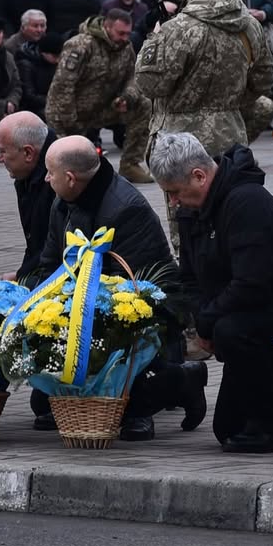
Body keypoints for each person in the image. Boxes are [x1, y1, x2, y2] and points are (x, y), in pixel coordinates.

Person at [149, 133, 273, 453]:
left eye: (174, 193)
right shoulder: (192, 210)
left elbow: (254, 283)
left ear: (199, 176)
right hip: (243, 308)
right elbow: (189, 279)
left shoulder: (247, 202)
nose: (173, 202)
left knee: (229, 331)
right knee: (228, 429)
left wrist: (208, 324)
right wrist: (199, 317)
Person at [36, 135, 207, 441]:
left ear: (71, 178)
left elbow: (131, 290)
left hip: (142, 307)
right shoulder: (63, 203)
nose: (46, 178)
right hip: (84, 300)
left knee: (128, 400)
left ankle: (180, 381)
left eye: (50, 172)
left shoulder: (126, 208)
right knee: (41, 400)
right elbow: (49, 263)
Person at [135, 0, 273, 161]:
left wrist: (153, 40)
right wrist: (226, 104)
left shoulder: (179, 27)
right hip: (231, 136)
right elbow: (264, 80)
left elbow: (150, 85)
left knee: (186, 195)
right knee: (226, 194)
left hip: (182, 145)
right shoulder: (249, 24)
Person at [46, 10, 152, 182]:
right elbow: (62, 86)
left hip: (102, 108)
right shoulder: (81, 45)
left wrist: (126, 97)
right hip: (70, 113)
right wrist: (70, 123)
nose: (126, 38)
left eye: (128, 33)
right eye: (121, 33)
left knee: (144, 105)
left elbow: (133, 77)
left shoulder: (125, 47)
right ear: (107, 27)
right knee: (66, 161)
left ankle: (130, 164)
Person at [0, 112, 58, 283]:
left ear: (28, 153)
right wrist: (22, 274)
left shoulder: (58, 181)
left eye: (2, 151)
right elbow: (36, 243)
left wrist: (25, 281)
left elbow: (60, 251)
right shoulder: (27, 175)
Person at [18, 34, 61, 116]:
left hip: (50, 103)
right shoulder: (26, 65)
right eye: (55, 56)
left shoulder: (53, 64)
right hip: (32, 109)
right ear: (44, 53)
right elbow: (29, 96)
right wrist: (55, 100)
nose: (58, 60)